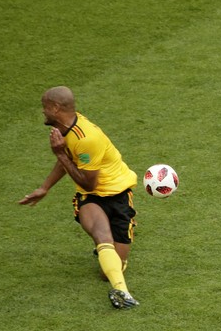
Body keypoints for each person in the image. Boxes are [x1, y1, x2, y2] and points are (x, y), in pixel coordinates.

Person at [19, 86, 139, 309]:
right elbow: (83, 181)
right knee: (102, 236)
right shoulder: (68, 129)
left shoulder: (86, 139)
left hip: (119, 197)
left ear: (56, 108)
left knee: (107, 272)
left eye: (45, 107)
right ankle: (123, 293)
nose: (43, 111)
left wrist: (60, 154)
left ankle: (110, 256)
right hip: (91, 198)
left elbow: (86, 179)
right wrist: (45, 187)